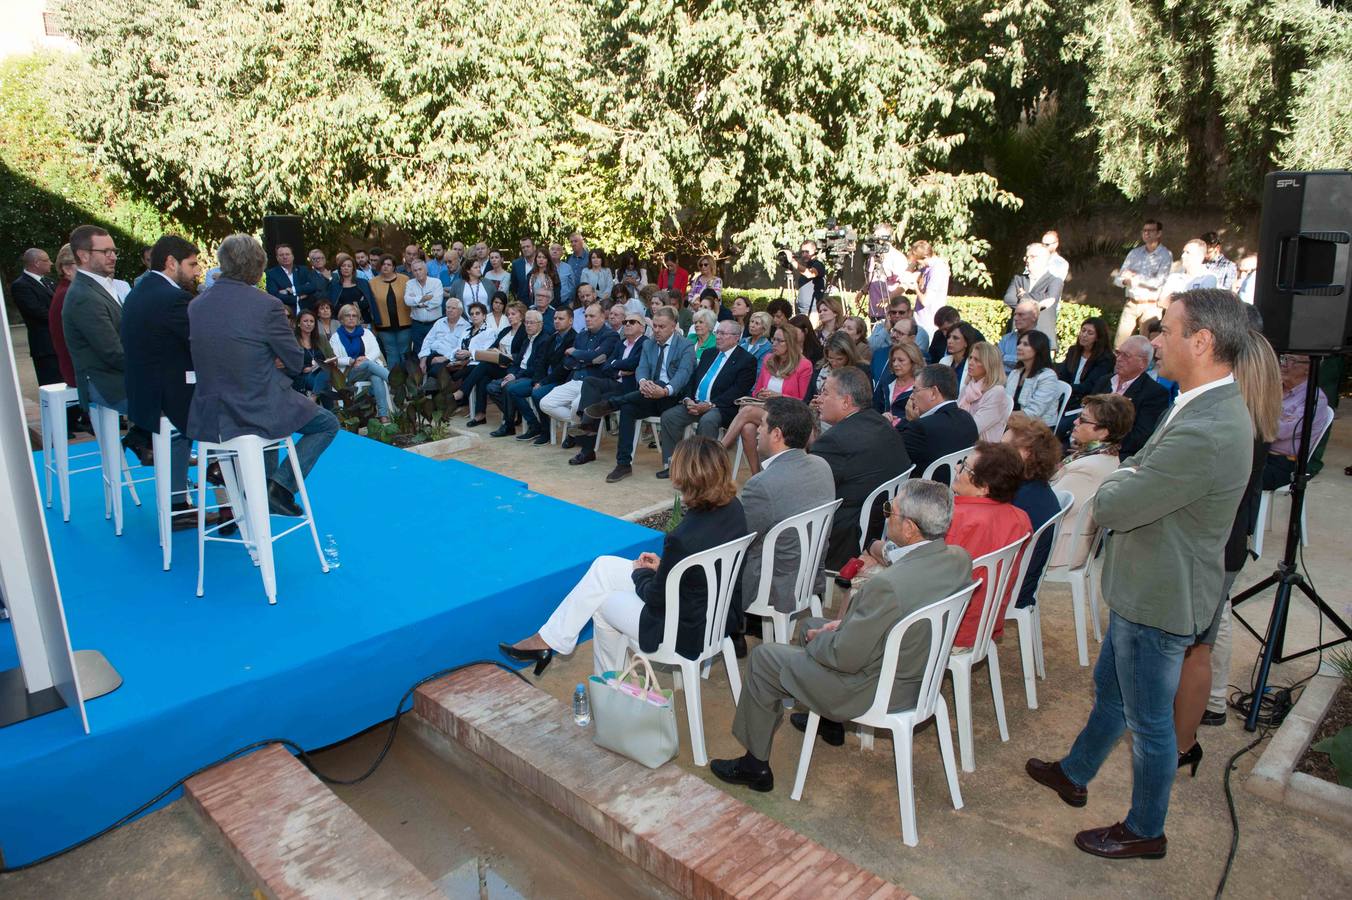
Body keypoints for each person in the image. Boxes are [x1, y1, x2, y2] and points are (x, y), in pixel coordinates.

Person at [1027, 288, 1255, 861]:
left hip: (1161, 595)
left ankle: (1145, 829)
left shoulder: (1207, 426)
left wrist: (1119, 482)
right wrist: (1127, 476)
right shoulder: (1199, 403)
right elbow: (1134, 471)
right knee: (1113, 690)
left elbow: (1115, 502)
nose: (1158, 342)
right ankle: (1076, 772)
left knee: (1151, 724)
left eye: (1168, 331)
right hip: (1147, 587)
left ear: (1201, 342)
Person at [709, 479, 972, 788]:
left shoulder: (887, 586)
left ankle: (754, 765)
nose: (886, 515)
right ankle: (829, 723)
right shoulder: (958, 559)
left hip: (876, 688)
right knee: (810, 623)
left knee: (765, 657)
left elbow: (843, 656)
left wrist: (820, 639)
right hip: (918, 673)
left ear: (911, 528)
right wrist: (839, 628)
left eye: (891, 510)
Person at [500, 436, 748, 675]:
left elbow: (654, 598)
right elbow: (702, 567)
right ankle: (548, 639)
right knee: (603, 567)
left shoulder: (682, 538)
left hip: (683, 630)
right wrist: (667, 569)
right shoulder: (734, 508)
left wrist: (642, 573)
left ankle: (611, 684)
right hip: (717, 615)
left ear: (688, 475)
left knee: (602, 603)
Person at [1174, 321, 1279, 760]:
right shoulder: (1255, 421)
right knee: (1200, 643)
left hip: (1212, 546)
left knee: (1194, 648)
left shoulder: (1232, 425)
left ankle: (1182, 742)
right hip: (1228, 543)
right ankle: (1187, 734)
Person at [188, 234, 339, 516]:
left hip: (211, 410)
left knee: (275, 420)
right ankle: (278, 487)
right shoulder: (265, 305)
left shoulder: (196, 305)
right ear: (258, 267)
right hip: (256, 406)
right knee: (327, 424)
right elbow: (295, 360)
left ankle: (256, 491)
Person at [121, 235, 201, 526]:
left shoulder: (138, 291)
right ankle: (226, 481)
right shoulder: (173, 298)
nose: (196, 272)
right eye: (191, 265)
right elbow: (197, 343)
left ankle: (180, 495)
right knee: (229, 405)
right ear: (171, 263)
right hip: (167, 396)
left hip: (144, 391)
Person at [736, 397, 837, 619]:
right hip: (808, 574)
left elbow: (740, 539)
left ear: (777, 434)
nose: (758, 431)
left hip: (771, 585)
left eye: (762, 424)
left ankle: (733, 632)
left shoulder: (762, 484)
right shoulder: (821, 466)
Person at [63, 225, 155, 461]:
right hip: (106, 383)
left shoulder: (100, 286)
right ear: (83, 256)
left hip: (117, 375)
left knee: (182, 388)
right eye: (105, 252)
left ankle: (146, 442)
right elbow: (112, 352)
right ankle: (173, 475)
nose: (113, 256)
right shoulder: (84, 295)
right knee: (180, 397)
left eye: (114, 251)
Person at [810, 366, 912, 570]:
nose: (819, 398)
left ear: (846, 401)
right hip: (881, 523)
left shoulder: (834, 441)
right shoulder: (882, 424)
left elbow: (809, 494)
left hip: (846, 534)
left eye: (825, 392)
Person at [581, 307, 696, 480]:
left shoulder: (685, 345)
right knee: (628, 409)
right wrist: (643, 382)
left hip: (672, 397)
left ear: (674, 326)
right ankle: (623, 464)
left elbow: (683, 374)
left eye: (661, 327)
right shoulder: (649, 344)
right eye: (655, 326)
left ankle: (611, 404)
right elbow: (641, 368)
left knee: (656, 384)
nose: (656, 330)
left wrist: (664, 390)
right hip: (647, 395)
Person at [945, 441, 1032, 647]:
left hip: (952, 627)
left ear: (984, 488)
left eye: (965, 467)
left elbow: (935, 577)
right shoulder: (1021, 518)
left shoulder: (959, 519)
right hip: (987, 620)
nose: (957, 468)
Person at [655, 320, 756, 480]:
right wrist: (688, 399)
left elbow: (738, 391)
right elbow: (692, 379)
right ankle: (673, 465)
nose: (718, 337)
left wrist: (709, 405)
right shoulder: (709, 353)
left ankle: (702, 470)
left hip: (722, 408)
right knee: (669, 417)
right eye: (717, 333)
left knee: (708, 420)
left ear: (736, 337)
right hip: (695, 403)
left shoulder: (746, 360)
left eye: (723, 333)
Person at [1047, 394, 1135, 569]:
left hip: (1060, 547)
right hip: (1067, 539)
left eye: (1083, 419)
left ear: (1103, 432)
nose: (1075, 422)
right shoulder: (1102, 456)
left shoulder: (1089, 467)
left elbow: (1048, 507)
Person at [715, 324, 813, 475]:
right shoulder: (769, 359)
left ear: (791, 343)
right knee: (747, 428)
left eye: (780, 341)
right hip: (766, 408)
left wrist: (778, 396)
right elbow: (756, 391)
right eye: (773, 339)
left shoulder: (804, 365)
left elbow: (802, 401)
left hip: (790, 414)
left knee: (747, 411)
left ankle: (719, 451)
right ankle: (757, 475)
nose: (774, 344)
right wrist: (760, 394)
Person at [1067, 335, 1170, 458]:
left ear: (1143, 363)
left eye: (1126, 355)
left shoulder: (1154, 393)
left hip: (1117, 454)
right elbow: (1085, 414)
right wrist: (1079, 440)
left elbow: (1140, 437)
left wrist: (1094, 446)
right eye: (1118, 353)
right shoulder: (1104, 381)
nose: (1119, 359)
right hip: (1084, 445)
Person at [1000, 414, 1063, 609]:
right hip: (1022, 582)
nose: (996, 453)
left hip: (1009, 591)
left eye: (1004, 449)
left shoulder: (1021, 500)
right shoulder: (1036, 489)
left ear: (1026, 453)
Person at [568, 312, 647, 465]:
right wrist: (618, 368)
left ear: (642, 328)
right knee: (591, 381)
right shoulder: (621, 343)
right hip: (615, 382)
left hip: (630, 388)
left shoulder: (645, 343)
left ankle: (587, 449)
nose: (628, 324)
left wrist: (615, 364)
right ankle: (586, 428)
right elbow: (605, 366)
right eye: (625, 322)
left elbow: (634, 363)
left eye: (633, 322)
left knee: (596, 403)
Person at [540, 303, 618, 441]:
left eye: (592, 316)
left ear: (602, 318)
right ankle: (577, 426)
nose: (588, 319)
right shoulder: (581, 335)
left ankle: (575, 434)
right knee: (546, 403)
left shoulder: (611, 335)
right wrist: (588, 357)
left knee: (577, 406)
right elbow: (568, 362)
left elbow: (597, 357)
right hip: (575, 379)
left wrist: (577, 353)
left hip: (593, 383)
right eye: (586, 316)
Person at [1261, 353, 1334, 490]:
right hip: (1261, 455)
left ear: (1308, 368)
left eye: (1292, 360)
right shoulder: (1275, 389)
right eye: (1284, 358)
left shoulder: (1314, 398)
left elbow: (1278, 431)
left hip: (1282, 464)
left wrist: (1255, 421)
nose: (1284, 364)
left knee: (1232, 478)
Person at [896, 364, 979, 480]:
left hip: (925, 492)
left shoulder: (920, 427)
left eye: (915, 390)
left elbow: (892, 452)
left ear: (933, 393)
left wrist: (908, 420)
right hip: (957, 485)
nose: (911, 396)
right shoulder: (967, 418)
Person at [457, 301, 530, 427]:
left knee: (484, 367)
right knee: (483, 376)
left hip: (514, 368)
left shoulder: (525, 332)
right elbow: (492, 347)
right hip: (499, 365)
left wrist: (507, 356)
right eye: (508, 314)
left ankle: (463, 391)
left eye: (513, 314)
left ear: (521, 316)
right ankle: (481, 414)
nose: (510, 316)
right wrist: (495, 352)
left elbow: (523, 354)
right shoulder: (505, 330)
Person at [485, 309, 548, 437]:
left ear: (540, 324)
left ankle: (527, 424)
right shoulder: (528, 338)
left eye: (532, 323)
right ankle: (513, 415)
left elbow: (537, 367)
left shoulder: (544, 340)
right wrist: (511, 374)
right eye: (526, 322)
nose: (528, 325)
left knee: (510, 388)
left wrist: (515, 376)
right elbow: (518, 362)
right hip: (520, 373)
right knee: (492, 387)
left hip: (533, 377)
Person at [520, 308, 578, 444]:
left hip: (562, 381)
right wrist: (537, 380)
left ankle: (545, 432)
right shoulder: (552, 337)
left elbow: (563, 369)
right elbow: (541, 363)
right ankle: (535, 425)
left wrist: (543, 382)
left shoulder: (574, 339)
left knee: (537, 394)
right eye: (555, 318)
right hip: (545, 379)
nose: (556, 321)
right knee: (513, 390)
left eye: (561, 318)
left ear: (570, 321)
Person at [329, 303, 393, 424]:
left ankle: (383, 415)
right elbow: (334, 358)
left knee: (376, 377)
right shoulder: (336, 337)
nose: (352, 318)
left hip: (366, 368)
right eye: (348, 315)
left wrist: (365, 358)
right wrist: (351, 361)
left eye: (354, 315)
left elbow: (376, 350)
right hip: (348, 373)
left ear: (358, 318)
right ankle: (393, 381)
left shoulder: (366, 332)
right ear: (341, 319)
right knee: (369, 365)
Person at [1113, 219, 1173, 347]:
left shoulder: (1165, 255)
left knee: (1147, 346)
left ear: (1158, 233)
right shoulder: (1134, 253)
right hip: (1131, 303)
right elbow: (1118, 279)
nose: (1146, 233)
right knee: (1120, 344)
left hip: (1151, 306)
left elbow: (1158, 282)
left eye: (1150, 231)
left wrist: (1135, 278)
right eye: (1144, 230)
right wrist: (1125, 280)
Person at [11, 247, 62, 387]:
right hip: (45, 347)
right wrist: (63, 317)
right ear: (37, 263)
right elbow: (37, 312)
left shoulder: (48, 282)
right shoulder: (21, 286)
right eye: (47, 260)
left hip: (58, 343)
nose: (51, 263)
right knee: (52, 385)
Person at [1003, 242, 1063, 346]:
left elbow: (1049, 299)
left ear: (1045, 259)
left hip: (1042, 339)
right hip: (1015, 337)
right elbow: (1008, 299)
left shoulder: (1055, 281)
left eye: (1032, 257)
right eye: (1026, 257)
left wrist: (1023, 296)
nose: (1028, 260)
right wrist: (1037, 304)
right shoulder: (1018, 279)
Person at [959, 341, 1014, 442]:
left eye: (977, 360)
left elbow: (974, 427)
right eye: (970, 358)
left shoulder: (996, 392)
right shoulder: (967, 388)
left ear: (989, 364)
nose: (970, 362)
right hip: (963, 443)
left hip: (983, 450)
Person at [1055, 316, 1114, 408]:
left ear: (1098, 337)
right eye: (1083, 330)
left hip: (1086, 402)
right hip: (1065, 397)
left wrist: (1067, 387)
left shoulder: (1106, 358)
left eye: (1090, 333)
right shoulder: (1073, 351)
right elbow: (1063, 376)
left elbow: (1089, 386)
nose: (1084, 335)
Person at [1005, 330, 1061, 426]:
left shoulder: (1048, 376)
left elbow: (1033, 414)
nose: (1019, 347)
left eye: (1025, 344)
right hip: (1012, 423)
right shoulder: (1015, 373)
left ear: (1038, 349)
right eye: (1019, 343)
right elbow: (1005, 402)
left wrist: (1002, 416)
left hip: (1037, 430)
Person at [860, 222, 912, 319]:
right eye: (875, 236)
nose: (877, 240)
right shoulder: (873, 255)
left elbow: (905, 284)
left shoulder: (897, 257)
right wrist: (862, 291)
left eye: (880, 237)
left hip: (893, 313)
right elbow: (871, 278)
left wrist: (889, 298)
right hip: (874, 311)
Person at [367, 255, 412, 368]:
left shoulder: (405, 279)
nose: (385, 267)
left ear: (394, 267)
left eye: (389, 264)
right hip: (384, 325)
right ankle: (394, 382)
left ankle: (408, 380)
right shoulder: (372, 283)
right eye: (383, 264)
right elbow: (371, 304)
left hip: (405, 324)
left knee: (405, 353)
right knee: (391, 354)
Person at [873, 340, 925, 427]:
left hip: (908, 432)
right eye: (893, 360)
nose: (895, 364)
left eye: (901, 360)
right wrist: (881, 417)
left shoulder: (922, 386)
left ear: (913, 361)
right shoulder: (886, 381)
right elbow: (875, 408)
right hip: (883, 430)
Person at [1158, 238, 1218, 310]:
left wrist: (1174, 299)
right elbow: (1161, 302)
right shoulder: (1174, 277)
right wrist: (1188, 299)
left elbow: (1201, 306)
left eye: (1188, 253)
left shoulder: (1209, 278)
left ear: (1200, 257)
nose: (1183, 256)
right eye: (1183, 252)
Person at [292, 309, 333, 405]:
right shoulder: (293, 340)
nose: (309, 324)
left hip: (321, 372)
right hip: (304, 375)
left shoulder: (321, 338)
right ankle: (331, 413)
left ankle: (313, 397)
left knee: (325, 371)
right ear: (298, 324)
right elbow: (289, 360)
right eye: (305, 321)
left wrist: (327, 361)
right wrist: (304, 368)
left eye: (312, 321)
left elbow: (332, 356)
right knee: (325, 384)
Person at [264, 244, 320, 315]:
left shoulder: (303, 270)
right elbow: (274, 295)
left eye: (287, 254)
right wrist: (297, 298)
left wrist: (291, 290)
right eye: (281, 255)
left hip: (307, 314)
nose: (285, 257)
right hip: (286, 315)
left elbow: (312, 287)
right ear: (277, 258)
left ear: (293, 256)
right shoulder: (271, 274)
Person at [909, 240, 950, 334]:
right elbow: (906, 277)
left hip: (929, 325)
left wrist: (915, 287)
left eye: (917, 260)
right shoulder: (928, 267)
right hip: (920, 322)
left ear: (925, 257)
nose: (916, 263)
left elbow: (925, 301)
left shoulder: (937, 269)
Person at [782, 240, 827, 315]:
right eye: (802, 252)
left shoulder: (818, 264)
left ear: (814, 251)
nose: (804, 254)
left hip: (813, 310)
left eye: (807, 251)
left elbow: (810, 273)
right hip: (801, 309)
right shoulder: (805, 266)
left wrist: (793, 261)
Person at [328, 256, 374, 323]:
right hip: (342, 322)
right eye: (343, 266)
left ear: (353, 269)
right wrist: (355, 304)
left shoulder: (363, 282)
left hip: (364, 321)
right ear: (339, 269)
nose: (346, 268)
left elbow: (369, 301)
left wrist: (346, 305)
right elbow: (333, 305)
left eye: (349, 266)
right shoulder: (334, 286)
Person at [998, 301, 1039, 374]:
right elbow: (995, 363)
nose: (1015, 318)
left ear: (1034, 317)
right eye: (1015, 314)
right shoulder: (1006, 339)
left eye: (1021, 314)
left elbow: (1034, 366)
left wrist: (1005, 358)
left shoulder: (1042, 341)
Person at [940, 321, 982, 392]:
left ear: (966, 342)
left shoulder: (973, 364)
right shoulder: (944, 361)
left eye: (955, 338)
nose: (949, 341)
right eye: (949, 337)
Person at [509, 237, 536, 305]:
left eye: (528, 246)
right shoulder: (516, 264)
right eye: (523, 247)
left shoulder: (541, 262)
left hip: (540, 303)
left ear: (534, 247)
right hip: (522, 305)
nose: (525, 249)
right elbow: (514, 286)